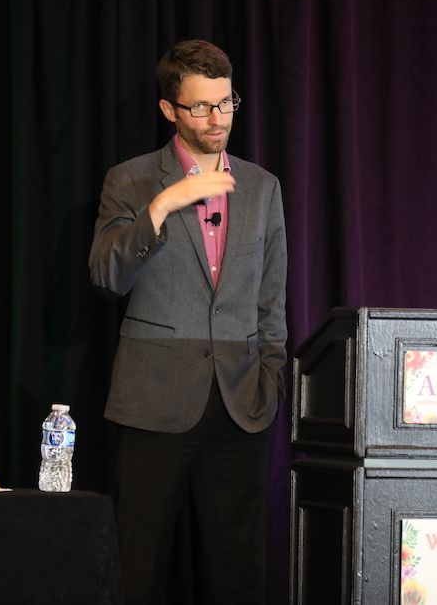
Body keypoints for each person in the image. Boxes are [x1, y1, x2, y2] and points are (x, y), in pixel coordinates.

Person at [89, 39, 287, 604]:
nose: (217, 118)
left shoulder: (262, 186)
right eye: (200, 106)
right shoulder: (131, 180)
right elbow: (106, 276)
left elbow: (272, 299)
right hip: (155, 399)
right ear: (169, 109)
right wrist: (162, 206)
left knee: (240, 571)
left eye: (226, 103)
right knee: (139, 564)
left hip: (240, 401)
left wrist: (269, 380)